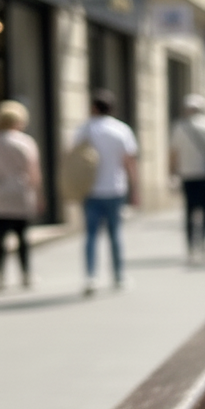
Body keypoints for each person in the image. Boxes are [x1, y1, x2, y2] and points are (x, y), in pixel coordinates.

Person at [76, 88, 139, 295]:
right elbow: (130, 162)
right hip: (115, 188)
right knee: (115, 234)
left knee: (91, 235)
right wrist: (135, 190)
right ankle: (118, 276)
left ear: (94, 107)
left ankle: (91, 278)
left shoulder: (84, 129)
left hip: (90, 189)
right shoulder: (121, 130)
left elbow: (72, 158)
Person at [0, 99, 43, 290]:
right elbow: (33, 172)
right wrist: (38, 195)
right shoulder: (25, 142)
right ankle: (25, 275)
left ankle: (0, 278)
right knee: (22, 237)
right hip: (19, 193)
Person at [171, 94, 205, 261]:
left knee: (189, 211)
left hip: (187, 175)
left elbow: (173, 153)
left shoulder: (179, 127)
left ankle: (190, 247)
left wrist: (172, 173)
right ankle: (204, 242)